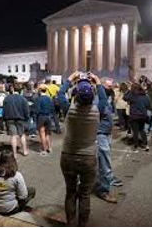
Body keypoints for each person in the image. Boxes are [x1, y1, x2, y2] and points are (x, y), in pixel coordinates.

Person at [58, 72, 103, 227]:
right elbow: (103, 99)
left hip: (68, 155)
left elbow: (60, 93)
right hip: (88, 157)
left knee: (70, 192)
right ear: (92, 96)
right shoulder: (97, 111)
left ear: (76, 96)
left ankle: (70, 223)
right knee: (84, 195)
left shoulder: (68, 110)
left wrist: (70, 79)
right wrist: (97, 82)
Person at [0, 151, 36, 215]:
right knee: (32, 190)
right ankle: (21, 208)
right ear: (13, 160)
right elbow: (23, 196)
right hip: (10, 209)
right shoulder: (17, 175)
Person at [3, 84, 30, 159]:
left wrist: (4, 119)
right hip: (20, 119)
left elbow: (4, 110)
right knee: (22, 135)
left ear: (12, 89)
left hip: (10, 119)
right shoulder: (22, 99)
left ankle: (14, 154)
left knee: (13, 136)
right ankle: (25, 151)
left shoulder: (7, 98)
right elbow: (26, 110)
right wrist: (27, 118)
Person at [124, 83, 151, 152]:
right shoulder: (144, 95)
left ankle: (135, 145)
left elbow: (124, 97)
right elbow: (148, 105)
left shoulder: (132, 96)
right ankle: (145, 144)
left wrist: (129, 90)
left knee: (135, 131)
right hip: (143, 116)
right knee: (142, 130)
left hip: (134, 116)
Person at [36, 84, 55, 156]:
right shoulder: (49, 98)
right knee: (47, 134)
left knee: (42, 134)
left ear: (40, 90)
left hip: (41, 117)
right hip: (48, 117)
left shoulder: (38, 99)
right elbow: (52, 108)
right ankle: (49, 148)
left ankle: (44, 150)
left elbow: (37, 110)